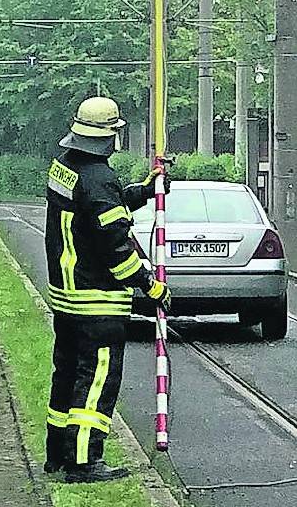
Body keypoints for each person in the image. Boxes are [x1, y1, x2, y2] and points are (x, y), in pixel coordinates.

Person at [44, 96, 171, 483]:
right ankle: (84, 463)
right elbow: (116, 249)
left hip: (66, 297)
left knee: (67, 376)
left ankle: (58, 455)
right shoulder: (99, 179)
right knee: (96, 380)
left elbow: (96, 208)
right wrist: (151, 287)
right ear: (110, 137)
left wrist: (143, 191)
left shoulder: (65, 167)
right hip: (96, 301)